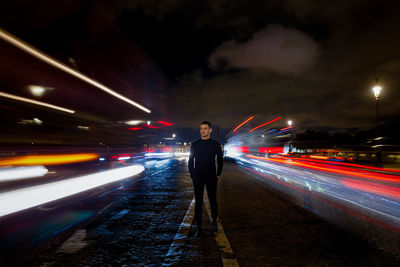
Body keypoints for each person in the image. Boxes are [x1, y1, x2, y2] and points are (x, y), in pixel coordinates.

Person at [188, 121, 223, 238]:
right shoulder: (195, 144)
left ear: (210, 130)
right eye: (201, 128)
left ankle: (214, 224)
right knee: (198, 203)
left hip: (211, 177)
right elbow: (190, 161)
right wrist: (193, 176)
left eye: (205, 128)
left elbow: (220, 160)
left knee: (213, 201)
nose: (203, 131)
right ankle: (199, 229)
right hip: (198, 177)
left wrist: (218, 174)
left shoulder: (215, 144)